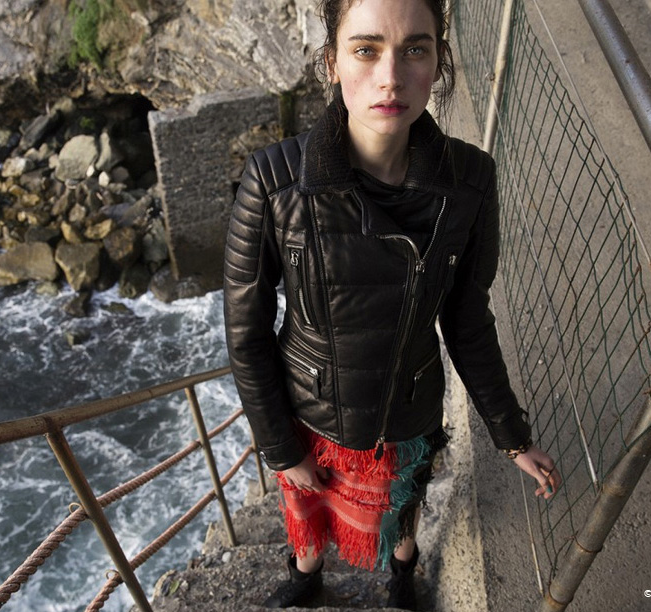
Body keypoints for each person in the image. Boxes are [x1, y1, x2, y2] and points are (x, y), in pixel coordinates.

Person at [222, 0, 562, 609]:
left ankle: (402, 580)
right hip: (310, 411)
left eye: (415, 50)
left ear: (439, 62)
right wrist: (279, 446)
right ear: (332, 62)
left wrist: (512, 436)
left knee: (403, 510)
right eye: (366, 49)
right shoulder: (274, 182)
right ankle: (306, 577)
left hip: (406, 410)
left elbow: (467, 320)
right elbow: (246, 333)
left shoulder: (470, 182)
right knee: (304, 508)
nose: (390, 78)